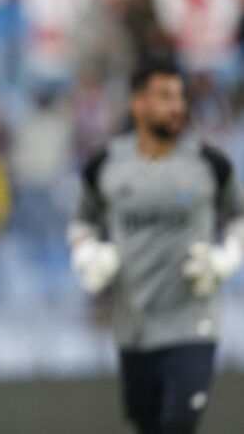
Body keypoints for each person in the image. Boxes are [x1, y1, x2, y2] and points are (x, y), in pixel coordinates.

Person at [68, 60, 244, 434]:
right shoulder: (106, 165)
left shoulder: (208, 164)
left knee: (178, 424)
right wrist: (86, 253)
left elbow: (238, 217)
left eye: (179, 96)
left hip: (193, 323)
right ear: (138, 103)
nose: (176, 106)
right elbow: (82, 220)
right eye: (164, 96)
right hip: (134, 327)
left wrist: (227, 256)